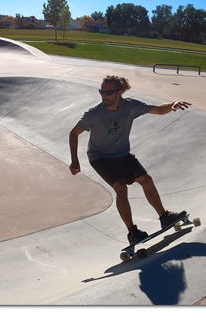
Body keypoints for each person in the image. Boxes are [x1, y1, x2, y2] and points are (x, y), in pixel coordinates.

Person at [68, 75, 191, 246]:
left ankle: (164, 216)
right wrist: (75, 160)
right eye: (101, 92)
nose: (104, 96)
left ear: (119, 93)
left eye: (108, 92)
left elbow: (157, 109)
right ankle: (132, 232)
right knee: (120, 187)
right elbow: (73, 134)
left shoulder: (131, 106)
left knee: (146, 180)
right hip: (100, 157)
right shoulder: (94, 114)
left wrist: (172, 105)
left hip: (122, 155)